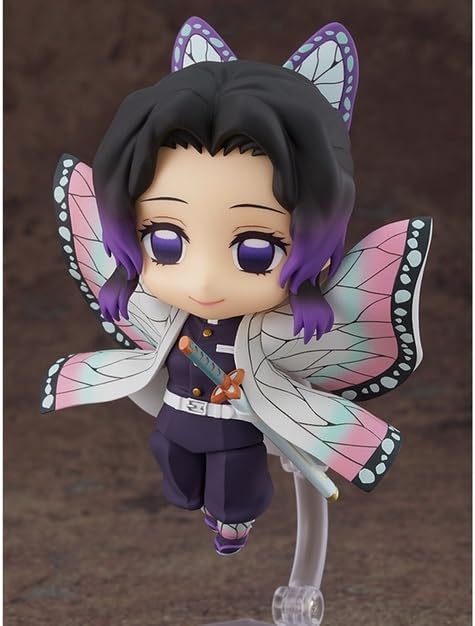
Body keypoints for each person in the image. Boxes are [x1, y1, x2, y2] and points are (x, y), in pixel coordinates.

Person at [41, 19, 432, 556]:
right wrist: (123, 280)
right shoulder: (164, 311)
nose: (204, 281)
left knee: (233, 486)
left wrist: (307, 299)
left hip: (237, 423)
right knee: (174, 469)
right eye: (165, 242)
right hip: (177, 412)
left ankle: (233, 520)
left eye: (255, 250)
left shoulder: (276, 327)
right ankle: (201, 501)